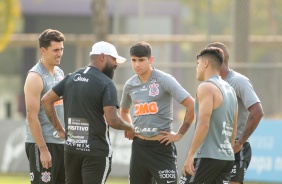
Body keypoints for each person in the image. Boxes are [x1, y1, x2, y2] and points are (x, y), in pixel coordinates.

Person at [41, 41, 135, 184]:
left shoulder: (71, 78)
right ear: (102, 57)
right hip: (95, 153)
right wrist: (130, 127)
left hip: (71, 150)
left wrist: (60, 130)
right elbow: (112, 120)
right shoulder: (106, 83)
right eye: (114, 59)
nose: (116, 64)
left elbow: (46, 100)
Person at [119, 41, 195, 184]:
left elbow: (191, 106)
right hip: (139, 148)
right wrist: (129, 127)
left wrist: (179, 135)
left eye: (141, 60)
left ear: (151, 60)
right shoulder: (130, 85)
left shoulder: (164, 80)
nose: (137, 64)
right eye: (133, 60)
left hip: (161, 148)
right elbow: (123, 111)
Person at [207, 42, 264, 184]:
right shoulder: (210, 84)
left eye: (206, 58)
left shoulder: (238, 81)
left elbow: (257, 112)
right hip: (214, 148)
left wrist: (239, 143)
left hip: (235, 149)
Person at [179, 47, 238, 183]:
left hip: (207, 156)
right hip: (226, 157)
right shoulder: (230, 89)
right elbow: (233, 129)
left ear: (205, 63)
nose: (196, 68)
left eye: (198, 64)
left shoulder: (206, 87)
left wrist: (191, 155)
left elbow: (203, 124)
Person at [24, 29, 66, 184]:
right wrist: (43, 150)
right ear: (43, 50)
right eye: (55, 50)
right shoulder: (35, 77)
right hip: (43, 144)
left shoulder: (60, 73)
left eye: (61, 49)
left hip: (60, 144)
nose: (60, 53)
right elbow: (31, 116)